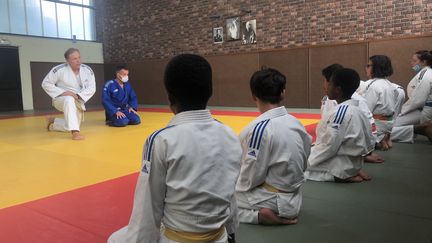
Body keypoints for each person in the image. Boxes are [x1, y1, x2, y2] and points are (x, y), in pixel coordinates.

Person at [107, 54, 242, 243]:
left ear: (170, 96)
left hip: (177, 238)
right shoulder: (231, 135)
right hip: (219, 236)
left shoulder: (160, 140)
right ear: (209, 92)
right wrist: (231, 234)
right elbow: (230, 193)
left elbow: (147, 208)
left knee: (115, 239)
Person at [235, 67, 311, 225]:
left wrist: (234, 184)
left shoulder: (259, 129)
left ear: (253, 96)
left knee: (217, 199)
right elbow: (305, 159)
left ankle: (258, 217)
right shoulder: (296, 123)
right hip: (293, 196)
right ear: (283, 93)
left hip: (273, 201)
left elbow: (250, 177)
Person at [306, 68, 375, 183]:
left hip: (340, 164)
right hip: (350, 162)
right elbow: (370, 142)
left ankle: (341, 175)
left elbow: (329, 147)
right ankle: (349, 171)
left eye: (329, 83)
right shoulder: (357, 111)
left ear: (338, 89)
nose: (326, 86)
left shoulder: (340, 113)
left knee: (294, 168)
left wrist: (306, 160)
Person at [321, 64, 383, 163]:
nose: (324, 85)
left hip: (345, 154)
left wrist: (366, 153)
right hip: (344, 148)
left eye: (325, 81)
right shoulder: (330, 100)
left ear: (335, 85)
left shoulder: (356, 103)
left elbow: (369, 128)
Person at [42, 48, 96, 140]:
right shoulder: (59, 70)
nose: (78, 61)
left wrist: (78, 96)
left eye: (79, 57)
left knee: (71, 124)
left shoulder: (87, 70)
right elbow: (45, 83)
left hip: (78, 100)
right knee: (69, 98)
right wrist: (63, 92)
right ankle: (75, 133)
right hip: (61, 99)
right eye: (74, 59)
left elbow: (92, 87)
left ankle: (52, 121)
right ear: (67, 61)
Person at [391, 50, 432, 143]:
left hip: (423, 110)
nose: (411, 63)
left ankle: (420, 129)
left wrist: (403, 111)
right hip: (421, 108)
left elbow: (418, 99)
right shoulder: (426, 73)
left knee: (391, 126)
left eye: (414, 61)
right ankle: (417, 129)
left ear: (423, 62)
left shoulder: (425, 74)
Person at [362, 55, 398, 150]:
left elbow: (366, 110)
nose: (366, 68)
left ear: (376, 68)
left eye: (368, 65)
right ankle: (383, 136)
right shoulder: (391, 85)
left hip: (377, 124)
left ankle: (378, 139)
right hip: (389, 123)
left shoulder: (372, 85)